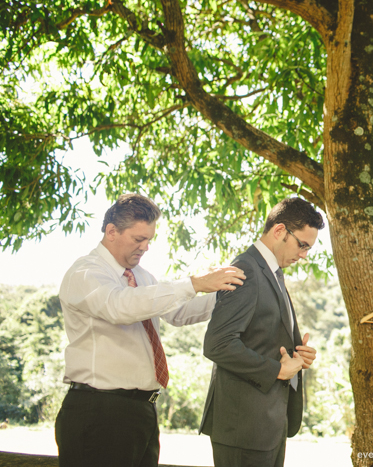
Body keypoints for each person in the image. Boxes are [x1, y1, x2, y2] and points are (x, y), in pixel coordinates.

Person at [55, 193, 246, 467]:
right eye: (138, 239)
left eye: (149, 240)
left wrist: (226, 292)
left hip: (141, 411)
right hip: (99, 412)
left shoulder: (142, 277)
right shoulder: (85, 273)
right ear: (111, 231)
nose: (145, 247)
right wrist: (193, 284)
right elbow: (120, 307)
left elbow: (178, 314)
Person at [200, 196, 325, 467]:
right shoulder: (247, 269)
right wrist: (277, 370)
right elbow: (217, 344)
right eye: (302, 245)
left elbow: (261, 339)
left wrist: (297, 356)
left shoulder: (271, 272)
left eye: (308, 248)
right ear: (279, 230)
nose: (304, 255)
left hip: (267, 425)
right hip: (244, 431)